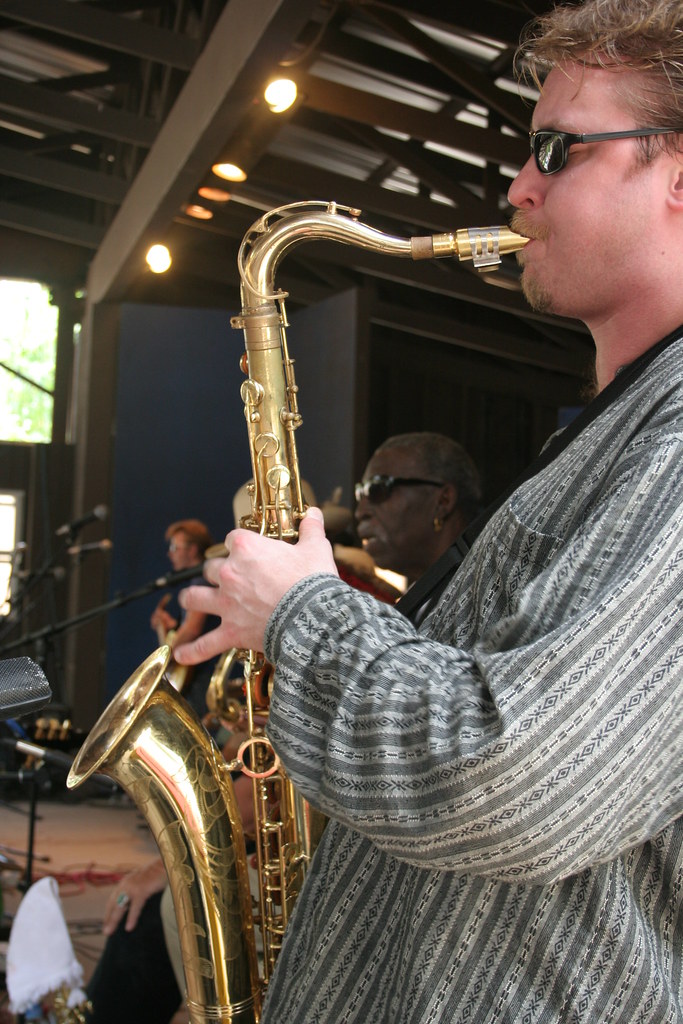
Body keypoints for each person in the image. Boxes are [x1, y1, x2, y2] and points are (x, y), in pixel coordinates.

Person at [175, 2, 683, 1016]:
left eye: (555, 149)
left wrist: (304, 616)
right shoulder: (616, 429)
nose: (515, 185)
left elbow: (524, 786)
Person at [354, 431, 481, 586]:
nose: (360, 512)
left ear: (443, 501)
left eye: (377, 489)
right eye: (360, 494)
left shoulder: (485, 595)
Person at [150, 518, 217, 716]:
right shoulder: (199, 580)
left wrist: (165, 657)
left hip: (202, 676)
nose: (170, 553)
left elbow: (193, 629)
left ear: (193, 550)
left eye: (174, 546)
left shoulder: (201, 582)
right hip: (199, 674)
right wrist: (170, 627)